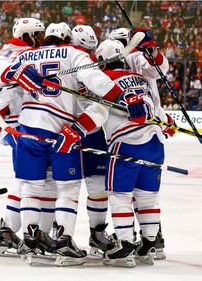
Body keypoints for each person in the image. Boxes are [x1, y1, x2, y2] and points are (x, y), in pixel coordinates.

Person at [3, 23, 118, 266]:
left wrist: (5, 113)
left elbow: (2, 89)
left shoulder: (25, 55)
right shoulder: (74, 54)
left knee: (30, 188)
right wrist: (121, 94)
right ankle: (64, 243)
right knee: (67, 189)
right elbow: (102, 86)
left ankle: (30, 242)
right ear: (67, 38)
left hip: (27, 129)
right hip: (61, 132)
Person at [95, 39, 175, 267]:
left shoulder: (105, 79)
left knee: (120, 195)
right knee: (148, 197)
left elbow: (93, 108)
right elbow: (156, 109)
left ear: (103, 59)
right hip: (154, 142)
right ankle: (149, 243)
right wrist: (167, 121)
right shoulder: (141, 78)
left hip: (126, 143)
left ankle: (125, 245)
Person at [0, 18, 56, 257]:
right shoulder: (13, 49)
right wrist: (14, 74)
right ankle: (28, 231)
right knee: (32, 180)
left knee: (28, 180)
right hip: (18, 125)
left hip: (27, 123)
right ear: (26, 34)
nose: (42, 38)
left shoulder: (34, 52)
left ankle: (10, 230)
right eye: (37, 33)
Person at [71, 24, 116, 257]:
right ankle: (49, 234)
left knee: (98, 185)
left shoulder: (91, 65)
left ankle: (97, 234)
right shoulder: (64, 59)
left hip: (92, 130)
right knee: (57, 187)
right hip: (63, 127)